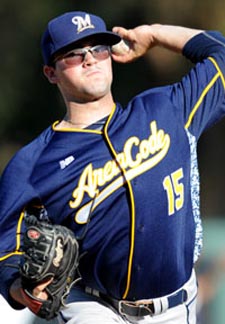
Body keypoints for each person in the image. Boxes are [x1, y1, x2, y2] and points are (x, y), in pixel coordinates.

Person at [0, 10, 225, 324]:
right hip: (93, 306)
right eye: (74, 54)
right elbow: (6, 250)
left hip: (177, 305)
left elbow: (220, 54)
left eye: (99, 48)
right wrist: (19, 290)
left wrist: (156, 33)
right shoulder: (33, 162)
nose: (90, 59)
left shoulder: (166, 109)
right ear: (51, 72)